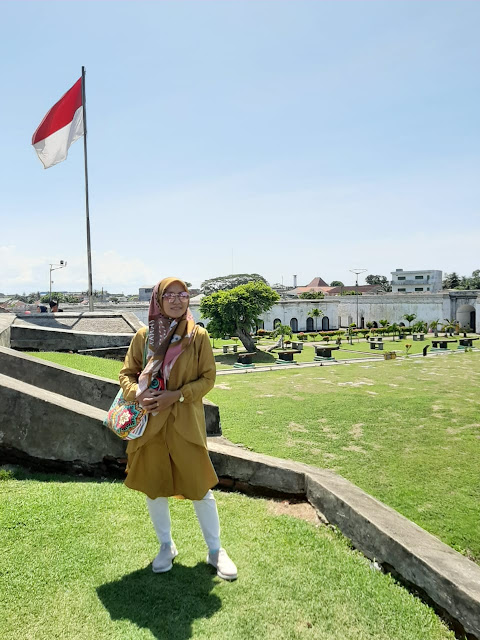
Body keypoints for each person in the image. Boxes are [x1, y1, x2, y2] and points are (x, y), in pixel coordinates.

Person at [119, 277, 237, 580]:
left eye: (181, 294)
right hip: (150, 427)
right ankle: (166, 546)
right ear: (158, 300)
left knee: (200, 488)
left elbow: (208, 378)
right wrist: (138, 394)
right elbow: (127, 374)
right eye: (168, 295)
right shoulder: (144, 337)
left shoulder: (198, 336)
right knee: (154, 486)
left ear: (188, 298)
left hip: (185, 423)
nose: (176, 300)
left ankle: (215, 551)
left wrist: (178, 394)